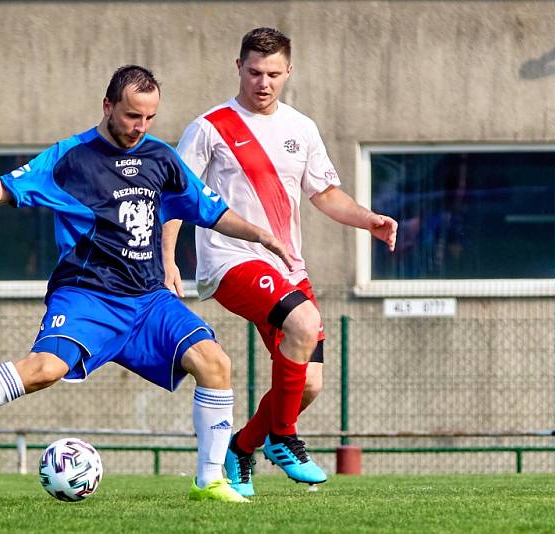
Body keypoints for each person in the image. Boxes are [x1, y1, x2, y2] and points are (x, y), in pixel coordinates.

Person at [0, 65, 294, 503]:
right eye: (131, 116)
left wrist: (260, 236)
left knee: (215, 364)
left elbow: (210, 209)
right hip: (88, 294)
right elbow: (4, 188)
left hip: (147, 300)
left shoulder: (161, 158)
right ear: (107, 106)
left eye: (148, 118)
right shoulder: (70, 159)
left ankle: (209, 482)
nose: (139, 127)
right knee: (45, 369)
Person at [165, 28, 398, 497]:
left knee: (308, 384)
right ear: (239, 67)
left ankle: (242, 448)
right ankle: (283, 439)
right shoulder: (211, 127)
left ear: (288, 72)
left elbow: (326, 193)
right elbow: (175, 198)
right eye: (254, 72)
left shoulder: (301, 128)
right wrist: (169, 261)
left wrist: (367, 219)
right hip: (230, 262)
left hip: (287, 268)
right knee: (305, 320)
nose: (263, 82)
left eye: (273, 73)